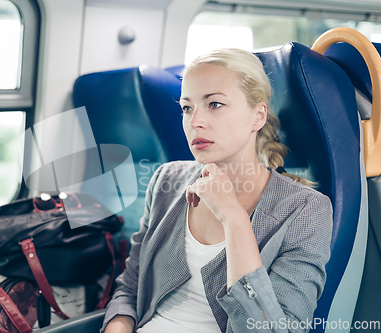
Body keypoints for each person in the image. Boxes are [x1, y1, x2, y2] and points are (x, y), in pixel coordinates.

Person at [101, 48, 333, 333]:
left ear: (258, 115)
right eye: (187, 108)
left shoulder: (306, 210)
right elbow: (131, 286)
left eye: (214, 104)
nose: (195, 121)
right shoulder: (166, 179)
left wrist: (234, 218)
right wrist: (118, 327)